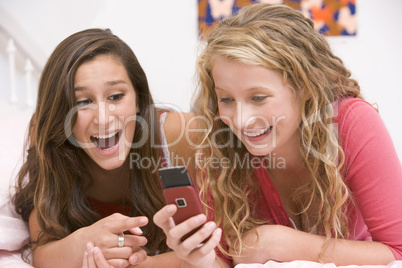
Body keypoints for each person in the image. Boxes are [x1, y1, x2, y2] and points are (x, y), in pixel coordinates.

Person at [154, 3, 402, 267]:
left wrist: (281, 243)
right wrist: (200, 258)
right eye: (226, 99)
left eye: (258, 97)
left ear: (306, 85)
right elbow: (227, 260)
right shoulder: (221, 139)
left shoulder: (352, 123)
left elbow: (397, 251)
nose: (240, 120)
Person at [12, 28, 195, 267]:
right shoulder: (52, 146)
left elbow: (230, 245)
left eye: (116, 96)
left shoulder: (179, 134)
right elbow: (44, 254)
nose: (104, 118)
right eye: (83, 102)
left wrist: (139, 265)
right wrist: (86, 241)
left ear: (138, 98)